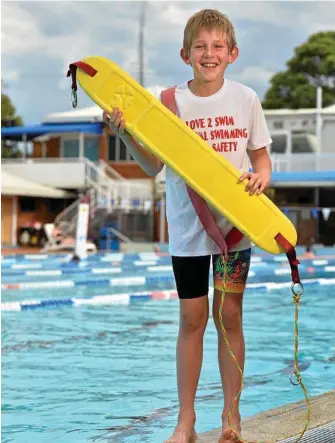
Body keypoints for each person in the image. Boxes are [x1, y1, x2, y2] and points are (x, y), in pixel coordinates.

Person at [103, 9, 272, 443]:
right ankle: (186, 422)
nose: (209, 54)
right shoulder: (168, 103)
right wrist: (126, 137)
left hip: (235, 227)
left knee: (229, 317)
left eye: (218, 46)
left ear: (232, 54)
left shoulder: (246, 98)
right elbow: (154, 164)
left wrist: (261, 177)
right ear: (185, 54)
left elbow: (261, 158)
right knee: (192, 319)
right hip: (187, 229)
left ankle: (231, 420)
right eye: (200, 46)